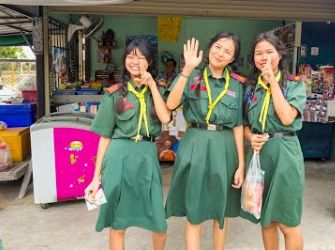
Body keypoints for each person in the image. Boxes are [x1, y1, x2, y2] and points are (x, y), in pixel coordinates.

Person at [85, 38, 171, 250]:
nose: (135, 61)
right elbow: (105, 137)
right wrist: (95, 178)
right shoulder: (114, 94)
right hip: (118, 157)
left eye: (141, 57)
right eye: (131, 56)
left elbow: (165, 118)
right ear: (125, 60)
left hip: (147, 157)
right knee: (118, 220)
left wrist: (151, 84)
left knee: (158, 221)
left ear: (149, 61)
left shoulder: (158, 89)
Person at [165, 33, 245, 250]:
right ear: (210, 48)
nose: (220, 53)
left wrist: (241, 165)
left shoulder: (237, 85)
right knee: (195, 205)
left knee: (222, 208)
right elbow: (171, 104)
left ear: (232, 58)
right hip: (195, 144)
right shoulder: (191, 76)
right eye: (218, 47)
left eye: (227, 51)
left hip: (224, 145)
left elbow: (238, 125)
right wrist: (187, 69)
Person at [242, 33, 306, 250]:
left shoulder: (294, 85)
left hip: (285, 154)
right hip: (259, 155)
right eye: (259, 53)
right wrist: (251, 138)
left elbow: (287, 117)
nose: (264, 57)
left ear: (280, 55)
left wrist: (273, 83)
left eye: (270, 52)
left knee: (288, 222)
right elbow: (243, 125)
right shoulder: (250, 88)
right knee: (266, 219)